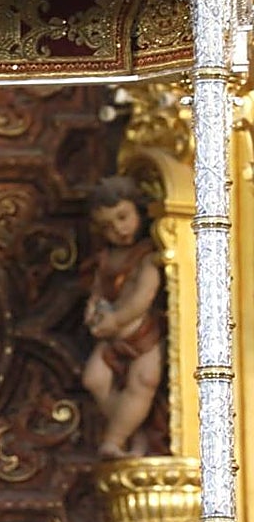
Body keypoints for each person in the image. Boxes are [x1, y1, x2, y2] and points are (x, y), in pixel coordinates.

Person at [81, 176, 164, 459]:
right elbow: (96, 291)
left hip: (143, 334)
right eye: (107, 225)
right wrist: (93, 314)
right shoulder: (106, 258)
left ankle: (113, 439)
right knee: (94, 379)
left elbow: (144, 297)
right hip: (112, 335)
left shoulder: (147, 256)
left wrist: (116, 321)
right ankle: (130, 429)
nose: (118, 229)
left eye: (123, 217)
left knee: (144, 380)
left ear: (138, 211)